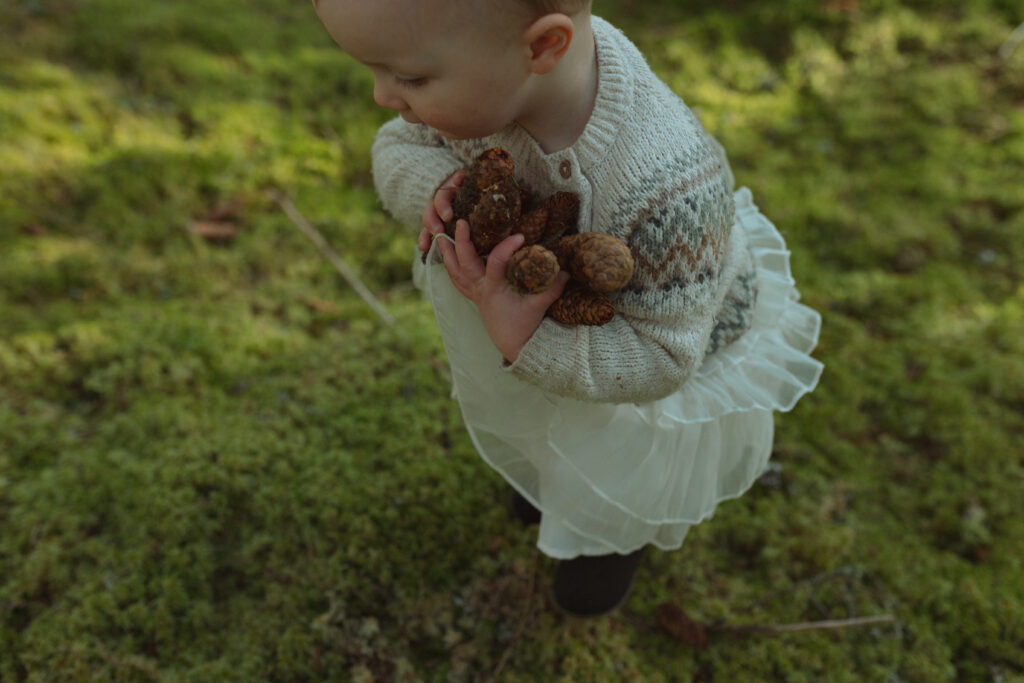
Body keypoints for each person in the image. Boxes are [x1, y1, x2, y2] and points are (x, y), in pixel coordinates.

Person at [312, 0, 824, 618]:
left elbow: (665, 357)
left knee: (615, 474)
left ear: (543, 48)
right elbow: (398, 145)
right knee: (539, 429)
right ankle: (538, 489)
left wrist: (531, 343)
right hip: (534, 320)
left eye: (410, 78)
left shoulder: (667, 188)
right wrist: (442, 193)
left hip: (643, 365)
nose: (381, 96)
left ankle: (600, 567)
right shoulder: (486, 83)